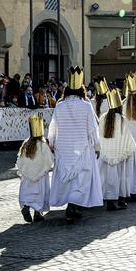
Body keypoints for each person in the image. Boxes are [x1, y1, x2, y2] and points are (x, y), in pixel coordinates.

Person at [48, 67, 103, 223]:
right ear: (81, 89)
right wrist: (97, 146)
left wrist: (51, 143)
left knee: (67, 179)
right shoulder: (86, 106)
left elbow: (53, 128)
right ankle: (74, 204)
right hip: (82, 147)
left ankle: (72, 205)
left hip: (64, 147)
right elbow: (93, 129)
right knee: (81, 178)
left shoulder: (60, 106)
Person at [98, 88, 136, 211]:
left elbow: (100, 136)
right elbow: (127, 138)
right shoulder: (122, 119)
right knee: (120, 177)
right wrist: (128, 150)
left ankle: (110, 200)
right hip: (119, 154)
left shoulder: (103, 118)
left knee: (109, 177)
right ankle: (119, 199)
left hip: (107, 154)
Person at [15, 116, 53, 223]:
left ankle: (26, 207)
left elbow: (20, 160)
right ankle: (37, 212)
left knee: (28, 194)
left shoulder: (26, 144)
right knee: (39, 194)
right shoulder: (43, 145)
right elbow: (49, 160)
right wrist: (45, 168)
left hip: (27, 177)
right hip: (40, 177)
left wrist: (22, 171)